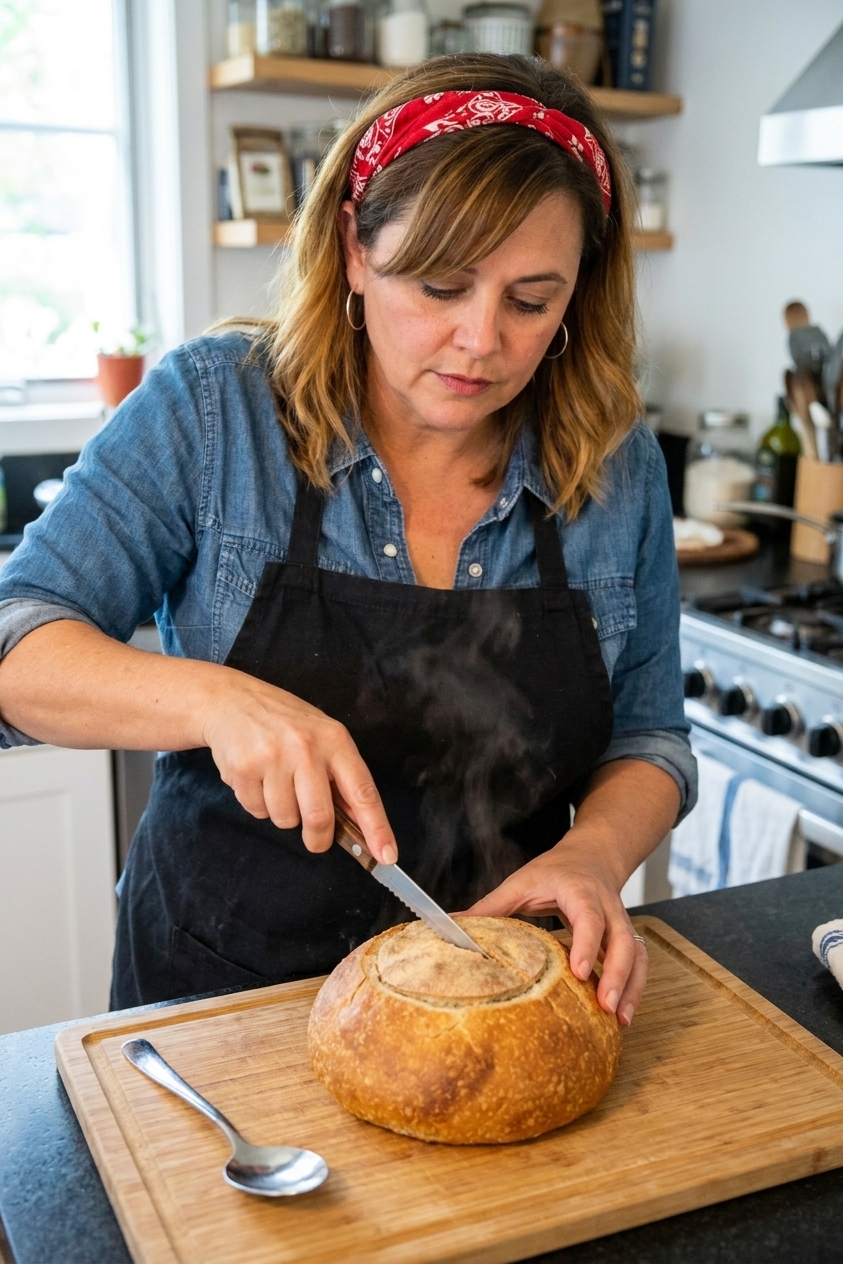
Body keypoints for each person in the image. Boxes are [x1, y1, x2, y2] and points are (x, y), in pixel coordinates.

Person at [0, 54, 695, 1025]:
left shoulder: (618, 465)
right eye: (441, 285)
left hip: (497, 1004)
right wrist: (216, 700)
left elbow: (650, 736)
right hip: (224, 1003)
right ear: (357, 250)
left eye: (532, 300)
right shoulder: (217, 410)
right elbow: (15, 642)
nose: (480, 341)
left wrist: (595, 852)